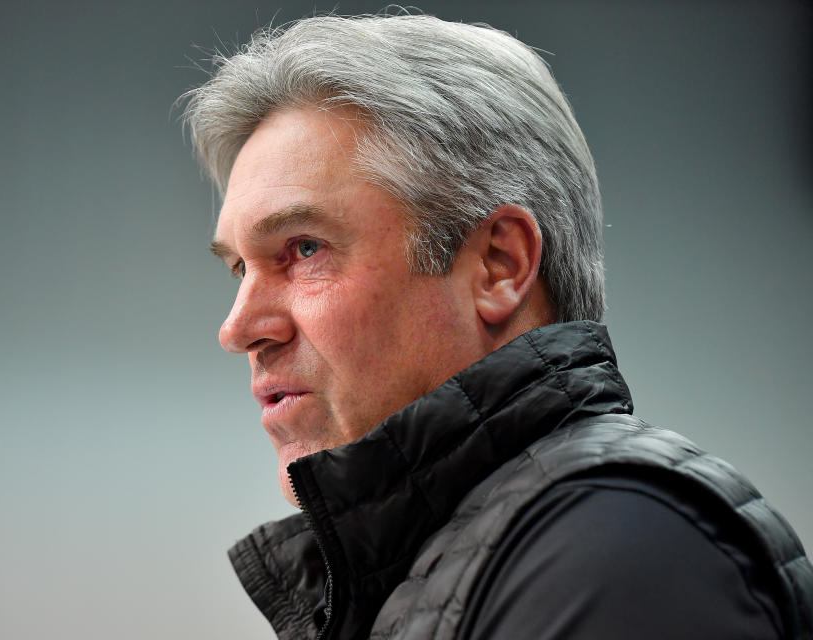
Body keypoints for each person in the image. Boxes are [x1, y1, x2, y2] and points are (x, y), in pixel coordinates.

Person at [181, 13, 813, 640]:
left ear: (499, 266)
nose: (238, 328)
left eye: (303, 248)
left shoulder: (617, 547)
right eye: (240, 268)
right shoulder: (476, 562)